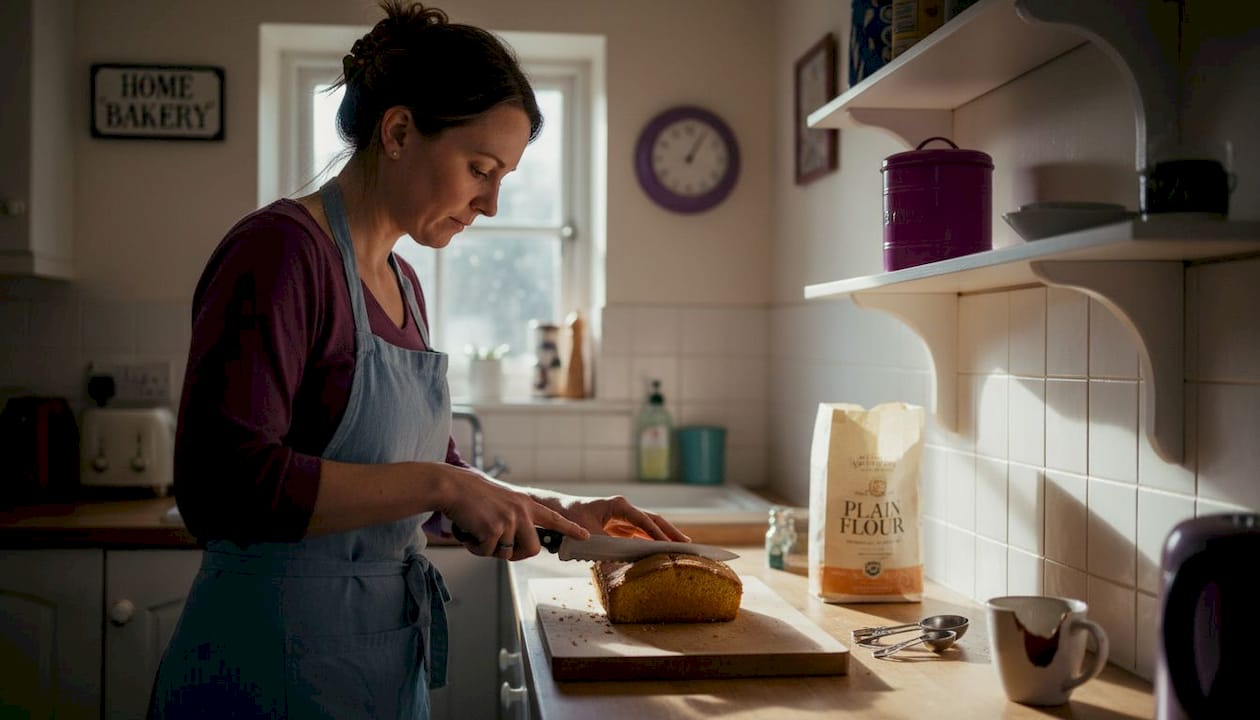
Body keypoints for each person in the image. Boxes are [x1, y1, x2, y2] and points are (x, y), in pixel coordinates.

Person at [148, 2, 689, 717]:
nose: (490, 204)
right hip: (266, 670)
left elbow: (430, 482)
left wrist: (561, 517)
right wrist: (439, 484)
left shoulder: (403, 283)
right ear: (399, 131)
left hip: (373, 667)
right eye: (479, 169)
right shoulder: (278, 254)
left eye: (503, 178)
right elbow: (222, 486)